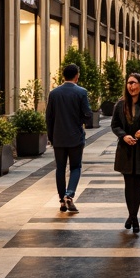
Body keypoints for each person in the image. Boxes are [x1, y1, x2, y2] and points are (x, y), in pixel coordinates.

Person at [111, 72, 140, 234]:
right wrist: (124, 136)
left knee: (137, 184)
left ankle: (133, 216)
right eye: (129, 83)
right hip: (126, 149)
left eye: (134, 83)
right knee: (128, 184)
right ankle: (133, 216)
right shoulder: (120, 105)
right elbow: (115, 125)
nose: (131, 86)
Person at [46, 62, 92, 213]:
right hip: (75, 137)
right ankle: (69, 194)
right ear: (77, 76)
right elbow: (88, 115)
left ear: (63, 75)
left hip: (58, 137)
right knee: (75, 167)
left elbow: (49, 117)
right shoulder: (81, 92)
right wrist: (81, 121)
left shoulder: (54, 93)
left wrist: (51, 136)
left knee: (60, 168)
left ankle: (61, 200)